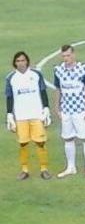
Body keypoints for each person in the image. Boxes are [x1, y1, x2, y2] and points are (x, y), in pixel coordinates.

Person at [6, 51, 52, 180]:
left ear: (27, 61)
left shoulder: (36, 75)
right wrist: (10, 114)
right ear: (15, 63)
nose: (20, 63)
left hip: (36, 114)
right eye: (18, 61)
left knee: (40, 142)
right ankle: (24, 170)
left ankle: (44, 169)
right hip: (21, 116)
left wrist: (46, 108)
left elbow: (43, 92)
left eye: (23, 60)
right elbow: (9, 97)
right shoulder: (11, 78)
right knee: (23, 144)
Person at [53, 45, 85, 179]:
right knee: (68, 138)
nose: (66, 58)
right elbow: (58, 89)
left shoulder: (83, 69)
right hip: (66, 110)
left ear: (74, 55)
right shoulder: (58, 70)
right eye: (64, 56)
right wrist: (57, 108)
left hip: (80, 110)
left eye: (68, 55)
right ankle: (71, 167)